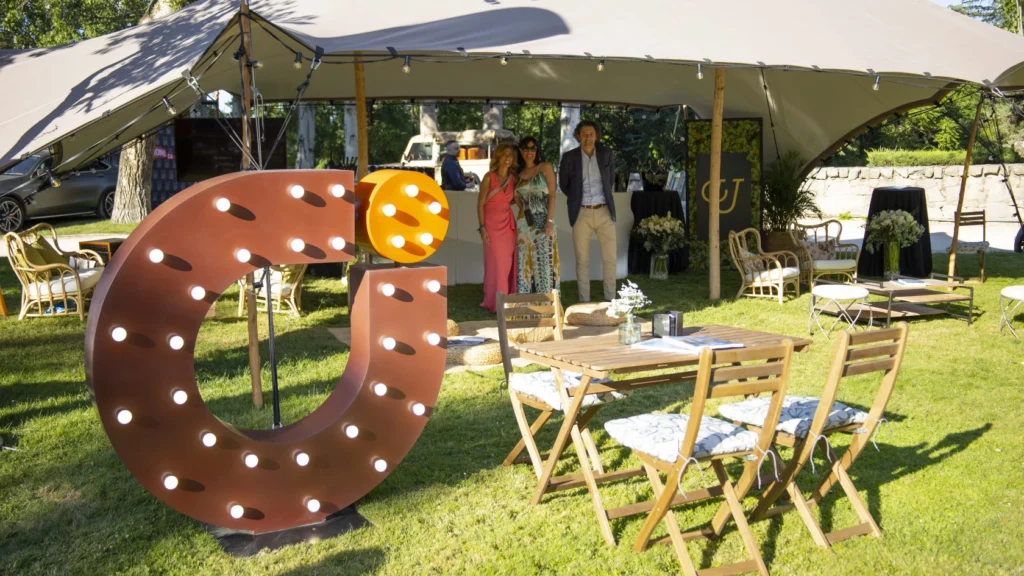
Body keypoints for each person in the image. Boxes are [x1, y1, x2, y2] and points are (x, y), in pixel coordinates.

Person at [558, 120, 617, 302]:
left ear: (596, 136)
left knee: (610, 258)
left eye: (591, 134)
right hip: (581, 212)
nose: (588, 138)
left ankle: (610, 300)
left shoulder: (606, 154)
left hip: (604, 211)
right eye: (584, 134)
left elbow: (611, 179)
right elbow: (564, 185)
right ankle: (584, 301)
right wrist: (577, 199)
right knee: (581, 260)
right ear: (578, 136)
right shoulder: (569, 157)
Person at [514, 137, 560, 294]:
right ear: (520, 151)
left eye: (533, 148)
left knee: (544, 262)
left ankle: (547, 302)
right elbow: (516, 198)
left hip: (544, 222)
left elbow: (552, 196)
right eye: (526, 149)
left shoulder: (545, 167)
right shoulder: (517, 174)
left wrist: (550, 220)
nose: (529, 152)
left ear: (537, 150)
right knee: (525, 262)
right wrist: (524, 210)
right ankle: (526, 301)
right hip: (524, 224)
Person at [478, 143, 520, 313]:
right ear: (498, 157)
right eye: (504, 154)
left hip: (508, 226)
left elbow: (514, 200)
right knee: (495, 263)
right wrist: (482, 227)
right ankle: (494, 301)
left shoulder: (513, 179)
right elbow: (480, 204)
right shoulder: (489, 177)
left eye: (510, 155)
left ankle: (506, 299)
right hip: (491, 226)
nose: (508, 158)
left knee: (507, 263)